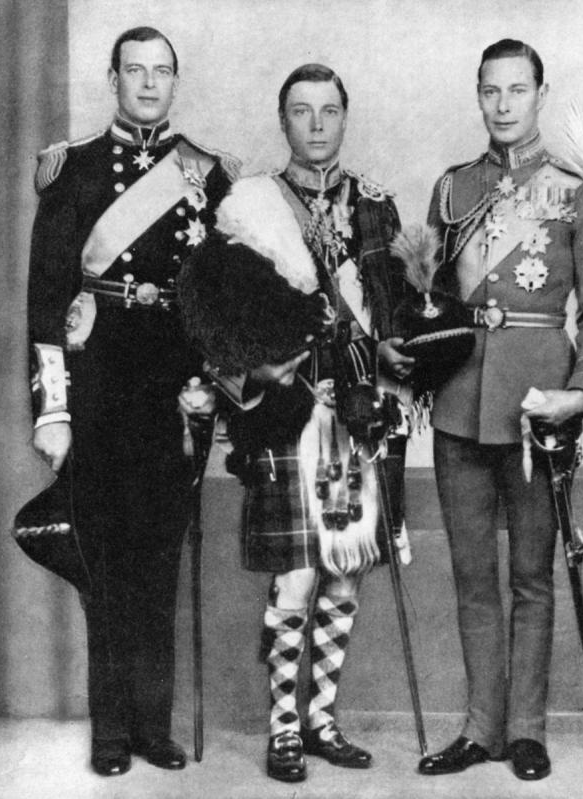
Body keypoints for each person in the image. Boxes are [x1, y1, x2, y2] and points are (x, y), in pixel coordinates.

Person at [190, 63, 413, 784]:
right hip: (288, 414)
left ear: (345, 117)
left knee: (345, 577)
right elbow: (213, 316)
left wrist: (399, 357)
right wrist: (257, 374)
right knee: (295, 579)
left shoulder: (376, 207)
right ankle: (283, 725)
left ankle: (321, 718)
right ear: (282, 120)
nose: (316, 125)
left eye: (328, 111)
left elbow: (398, 314)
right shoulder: (251, 204)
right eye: (301, 112)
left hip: (359, 411)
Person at [27, 26, 238, 776]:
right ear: (112, 77)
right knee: (106, 561)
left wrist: (213, 379)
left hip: (175, 386)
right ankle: (110, 730)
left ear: (175, 82)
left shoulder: (208, 175)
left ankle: (153, 724)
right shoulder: (75, 170)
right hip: (99, 382)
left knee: (160, 560)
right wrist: (51, 411)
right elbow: (47, 300)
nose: (149, 84)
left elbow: (220, 294)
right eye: (135, 71)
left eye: (162, 72)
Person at [416, 39, 583, 782]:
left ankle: (527, 729)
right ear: (479, 96)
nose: (504, 105)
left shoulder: (578, 192)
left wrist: (581, 390)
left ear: (539, 94)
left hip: (540, 409)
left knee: (531, 576)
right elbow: (429, 303)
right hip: (459, 404)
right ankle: (480, 727)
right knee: (473, 576)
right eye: (491, 91)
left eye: (517, 90)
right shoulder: (451, 191)